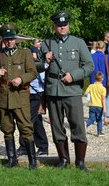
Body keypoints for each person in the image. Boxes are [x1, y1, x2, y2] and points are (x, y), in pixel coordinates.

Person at [36, 10, 94, 171]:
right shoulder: (47, 44)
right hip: (53, 91)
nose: (62, 27)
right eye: (59, 25)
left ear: (68, 25)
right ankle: (63, 160)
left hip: (72, 90)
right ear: (54, 26)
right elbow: (37, 67)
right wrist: (45, 61)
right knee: (56, 126)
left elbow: (89, 65)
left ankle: (80, 162)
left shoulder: (78, 42)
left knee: (77, 126)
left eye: (65, 24)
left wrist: (74, 76)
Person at [0, 23, 38, 169]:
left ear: (15, 39)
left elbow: (33, 72)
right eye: (6, 39)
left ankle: (32, 161)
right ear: (3, 39)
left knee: (26, 128)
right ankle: (11, 160)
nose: (9, 41)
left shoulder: (25, 53)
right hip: (3, 97)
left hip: (20, 96)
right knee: (7, 129)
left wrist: (21, 79)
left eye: (12, 39)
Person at [17, 41, 49, 157]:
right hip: (27, 94)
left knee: (27, 120)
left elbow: (42, 80)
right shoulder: (26, 64)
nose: (33, 56)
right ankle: (43, 146)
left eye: (35, 54)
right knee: (36, 121)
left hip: (36, 95)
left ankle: (24, 146)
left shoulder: (37, 65)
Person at [88, 41, 109, 126]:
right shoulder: (106, 57)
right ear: (104, 48)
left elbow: (88, 69)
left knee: (94, 98)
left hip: (93, 81)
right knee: (106, 98)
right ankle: (105, 117)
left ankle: (93, 116)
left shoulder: (91, 56)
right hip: (105, 81)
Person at [84, 72, 106, 136]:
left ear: (94, 78)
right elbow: (103, 99)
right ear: (102, 79)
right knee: (99, 120)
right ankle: (99, 132)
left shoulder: (91, 86)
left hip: (92, 105)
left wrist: (90, 95)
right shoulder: (103, 88)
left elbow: (85, 94)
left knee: (91, 118)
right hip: (99, 106)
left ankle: (86, 124)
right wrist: (104, 108)